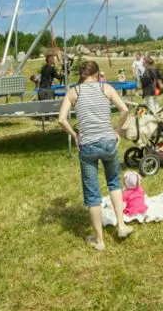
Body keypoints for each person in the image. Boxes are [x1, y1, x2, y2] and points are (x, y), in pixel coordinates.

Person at [57, 60, 134, 251]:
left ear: (81, 75)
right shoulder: (105, 88)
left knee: (92, 193)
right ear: (97, 74)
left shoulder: (73, 92)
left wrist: (74, 135)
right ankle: (122, 226)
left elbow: (61, 119)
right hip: (108, 143)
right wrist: (117, 131)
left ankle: (99, 240)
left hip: (87, 146)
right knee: (114, 183)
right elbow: (124, 109)